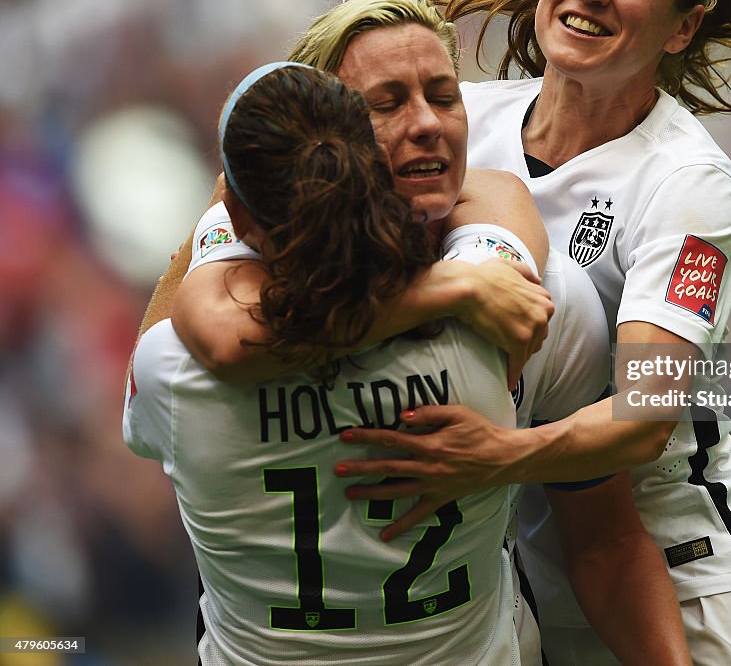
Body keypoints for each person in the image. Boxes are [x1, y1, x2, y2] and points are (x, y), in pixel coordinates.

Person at [329, 0, 731, 666]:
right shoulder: (457, 117)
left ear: (682, 29)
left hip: (682, 574)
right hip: (514, 582)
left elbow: (647, 413)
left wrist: (498, 456)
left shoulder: (688, 179)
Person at [166, 0, 692, 665]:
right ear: (321, 133)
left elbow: (607, 540)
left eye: (444, 95)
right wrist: (452, 287)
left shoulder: (537, 284)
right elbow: (220, 333)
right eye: (385, 104)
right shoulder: (494, 293)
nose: (426, 124)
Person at [125, 62, 529, 664]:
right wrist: (439, 291)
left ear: (239, 217)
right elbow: (499, 194)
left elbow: (186, 326)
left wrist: (219, 213)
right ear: (378, 183)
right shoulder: (485, 317)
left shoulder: (176, 371)